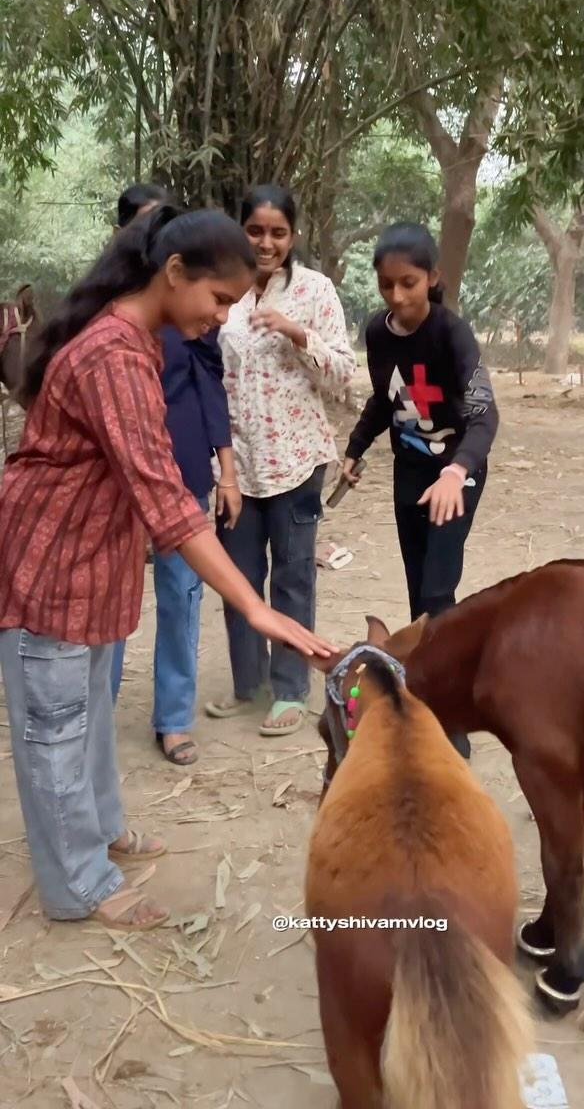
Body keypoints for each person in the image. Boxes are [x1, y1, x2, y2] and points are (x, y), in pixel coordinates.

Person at [0, 205, 335, 932]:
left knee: (85, 715)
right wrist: (255, 605)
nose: (222, 318)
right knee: (56, 727)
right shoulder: (113, 354)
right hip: (50, 564)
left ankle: (99, 833)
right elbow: (165, 500)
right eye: (218, 300)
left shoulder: (140, 340)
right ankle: (78, 884)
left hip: (88, 560)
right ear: (174, 273)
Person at [341, 222, 499, 759]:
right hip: (409, 471)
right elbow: (386, 400)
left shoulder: (453, 335)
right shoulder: (377, 333)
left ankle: (448, 713)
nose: (397, 296)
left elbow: (483, 414)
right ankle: (426, 688)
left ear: (433, 277)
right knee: (419, 592)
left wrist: (457, 472)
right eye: (386, 284)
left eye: (408, 282)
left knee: (437, 589)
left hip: (456, 471)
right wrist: (355, 449)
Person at [205, 185, 355, 736]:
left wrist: (297, 332)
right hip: (234, 468)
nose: (266, 243)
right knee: (239, 580)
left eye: (278, 233)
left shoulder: (314, 290)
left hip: (296, 462)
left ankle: (291, 690)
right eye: (255, 231)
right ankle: (251, 687)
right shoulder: (221, 288)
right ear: (240, 229)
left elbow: (343, 373)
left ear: (292, 236)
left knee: (293, 581)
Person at [110, 185, 242, 767]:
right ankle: (94, 708)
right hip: (122, 475)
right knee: (109, 595)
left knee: (182, 596)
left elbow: (212, 386)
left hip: (183, 464)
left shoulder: (198, 315)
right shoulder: (111, 315)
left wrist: (227, 469)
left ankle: (173, 717)